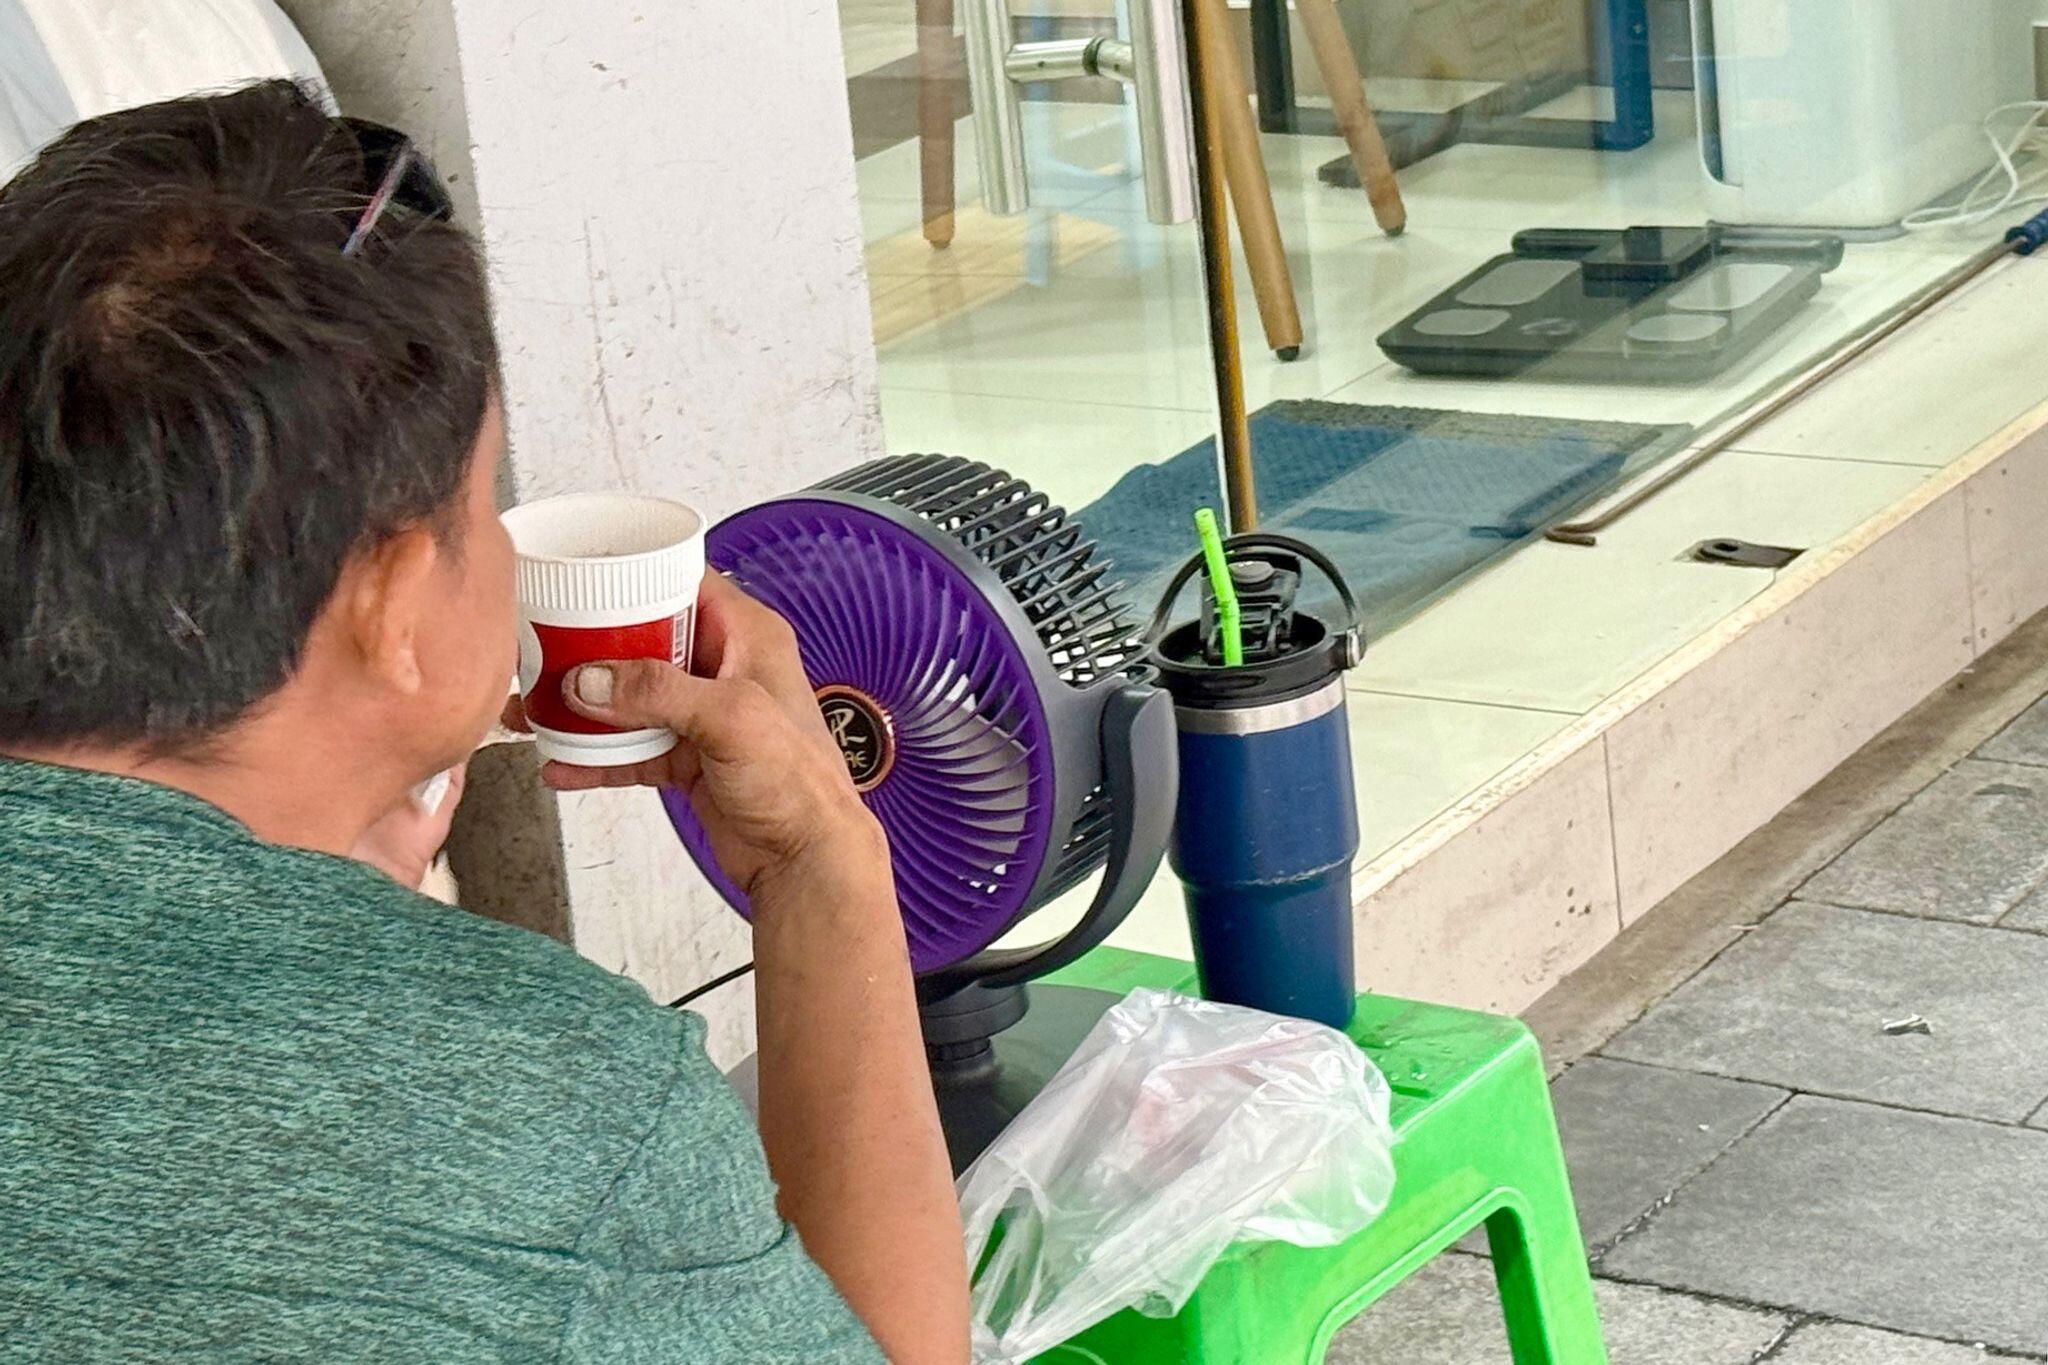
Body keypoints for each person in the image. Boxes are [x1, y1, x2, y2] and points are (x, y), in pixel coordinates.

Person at [0, 80, 968, 1363]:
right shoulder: (562, 1103)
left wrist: (321, 885)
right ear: (394, 602)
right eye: (482, 505)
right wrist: (821, 863)